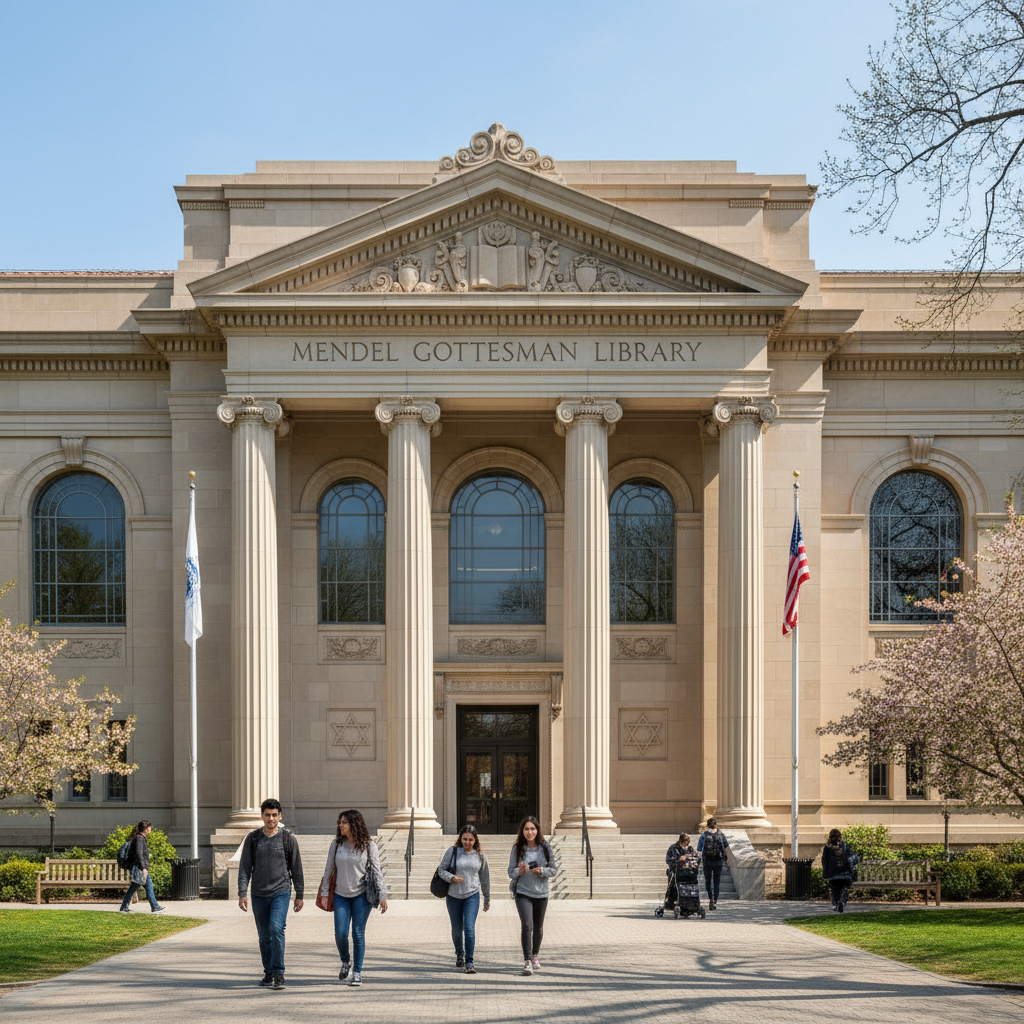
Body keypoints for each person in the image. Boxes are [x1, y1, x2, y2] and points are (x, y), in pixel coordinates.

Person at [238, 798, 304, 991]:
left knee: (276, 929)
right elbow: (244, 868)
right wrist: (242, 892)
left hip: (280, 892)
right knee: (264, 936)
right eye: (267, 815)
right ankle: (268, 973)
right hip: (258, 894)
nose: (271, 818)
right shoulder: (253, 838)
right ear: (262, 816)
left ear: (280, 816)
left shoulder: (287, 838)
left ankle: (278, 972)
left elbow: (297, 868)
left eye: (274, 815)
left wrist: (299, 894)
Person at [319, 809, 388, 987]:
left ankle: (357, 971)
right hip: (341, 894)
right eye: (340, 822)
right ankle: (345, 961)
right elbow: (328, 870)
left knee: (358, 933)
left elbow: (376, 870)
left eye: (344, 822)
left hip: (362, 895)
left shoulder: (368, 845)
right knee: (340, 933)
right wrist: (325, 893)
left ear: (354, 825)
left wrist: (382, 895)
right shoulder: (336, 845)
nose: (340, 825)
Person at [507, 816, 557, 976]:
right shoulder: (517, 848)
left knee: (538, 927)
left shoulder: (545, 847)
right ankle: (527, 961)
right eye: (527, 829)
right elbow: (510, 872)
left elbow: (554, 869)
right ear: (522, 831)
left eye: (533, 829)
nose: (530, 832)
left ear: (537, 830)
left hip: (541, 893)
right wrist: (519, 871)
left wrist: (541, 871)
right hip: (523, 892)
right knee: (527, 926)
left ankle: (535, 955)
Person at [437, 825, 490, 974]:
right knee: (457, 930)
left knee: (469, 928)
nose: (467, 842)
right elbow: (441, 870)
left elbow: (485, 879)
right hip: (453, 896)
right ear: (460, 839)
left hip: (472, 895)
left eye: (470, 840)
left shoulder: (480, 856)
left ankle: (470, 961)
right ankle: (459, 953)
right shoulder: (452, 851)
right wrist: (451, 877)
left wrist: (487, 899)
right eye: (465, 839)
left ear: (475, 840)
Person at [118, 819, 165, 914]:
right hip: (139, 867)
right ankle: (154, 906)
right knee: (146, 886)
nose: (150, 829)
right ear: (145, 829)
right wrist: (143, 867)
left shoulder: (139, 838)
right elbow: (139, 854)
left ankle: (124, 906)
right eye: (149, 827)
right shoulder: (139, 838)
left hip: (138, 866)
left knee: (136, 886)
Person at [696, 817, 729, 910]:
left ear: (707, 825)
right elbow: (725, 845)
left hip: (707, 861)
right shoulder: (721, 834)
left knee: (708, 881)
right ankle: (715, 901)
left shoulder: (704, 835)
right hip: (718, 861)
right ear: (716, 824)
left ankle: (710, 899)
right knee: (716, 881)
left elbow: (699, 849)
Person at [822, 828, 857, 912]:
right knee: (843, 887)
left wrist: (826, 873)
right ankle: (842, 901)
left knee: (834, 889)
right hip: (845, 874)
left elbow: (824, 862)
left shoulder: (827, 848)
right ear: (840, 837)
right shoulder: (845, 847)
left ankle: (835, 904)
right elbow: (854, 858)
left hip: (833, 874)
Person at [663, 832, 696, 910]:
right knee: (673, 885)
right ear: (680, 842)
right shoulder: (673, 848)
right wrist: (678, 860)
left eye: (687, 844)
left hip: (687, 871)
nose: (685, 846)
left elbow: (694, 858)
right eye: (684, 844)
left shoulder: (690, 848)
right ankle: (671, 902)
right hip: (675, 871)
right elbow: (668, 860)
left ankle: (690, 902)